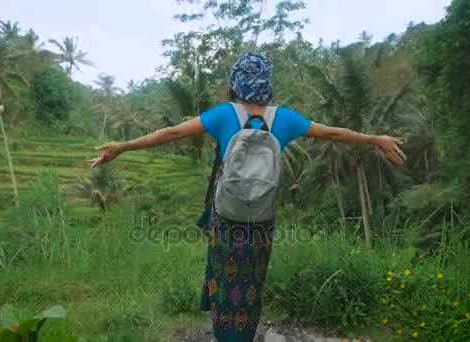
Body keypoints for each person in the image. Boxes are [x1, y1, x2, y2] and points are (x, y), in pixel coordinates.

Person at [90, 53, 405, 342]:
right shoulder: (286, 119)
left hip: (226, 216)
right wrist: (376, 139)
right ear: (267, 83)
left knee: (224, 280)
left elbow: (170, 133)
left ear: (236, 83)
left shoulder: (223, 115)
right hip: (261, 220)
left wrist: (123, 146)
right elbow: (336, 134)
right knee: (250, 285)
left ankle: (223, 333)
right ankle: (243, 334)